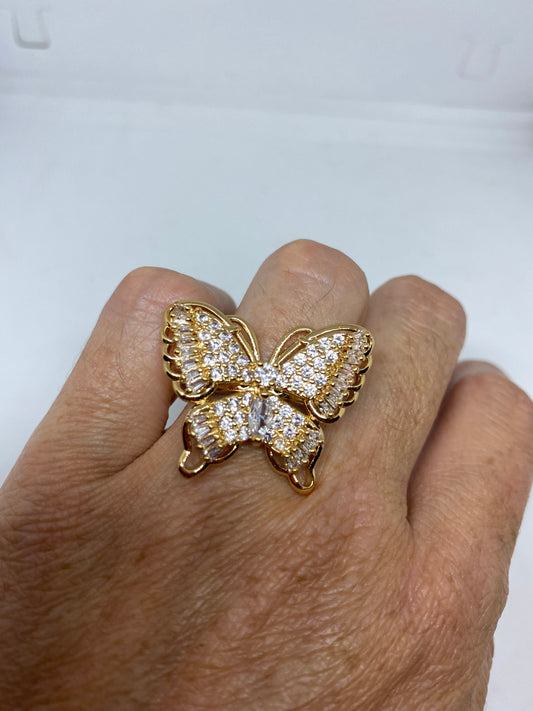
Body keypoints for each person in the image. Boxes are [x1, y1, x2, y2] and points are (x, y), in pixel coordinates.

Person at [0, 240, 531, 710]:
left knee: (266, 449)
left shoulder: (257, 353)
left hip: (260, 414)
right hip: (253, 413)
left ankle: (259, 464)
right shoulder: (283, 358)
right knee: (236, 444)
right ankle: (241, 462)